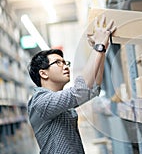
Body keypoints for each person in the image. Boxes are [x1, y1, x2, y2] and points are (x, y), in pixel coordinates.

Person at [27, 15, 116, 154]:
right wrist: (98, 46)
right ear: (43, 73)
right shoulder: (40, 102)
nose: (65, 66)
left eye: (65, 62)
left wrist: (102, 50)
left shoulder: (60, 100)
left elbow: (93, 88)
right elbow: (81, 90)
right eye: (58, 63)